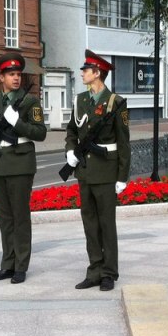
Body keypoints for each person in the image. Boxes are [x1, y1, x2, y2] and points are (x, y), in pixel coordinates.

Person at [0, 53, 47, 284]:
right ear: (1, 78)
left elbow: (40, 133)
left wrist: (17, 122)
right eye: (11, 74)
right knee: (5, 218)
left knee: (20, 217)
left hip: (20, 164)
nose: (16, 78)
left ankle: (21, 266)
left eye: (18, 74)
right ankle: (7, 264)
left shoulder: (29, 101)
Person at [65, 49, 131, 292]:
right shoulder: (80, 100)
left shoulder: (116, 102)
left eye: (86, 70)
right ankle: (94, 270)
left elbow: (123, 142)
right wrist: (70, 150)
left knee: (106, 224)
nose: (82, 73)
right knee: (90, 224)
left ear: (97, 73)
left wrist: (122, 176)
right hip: (85, 171)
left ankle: (109, 273)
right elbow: (72, 130)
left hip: (105, 172)